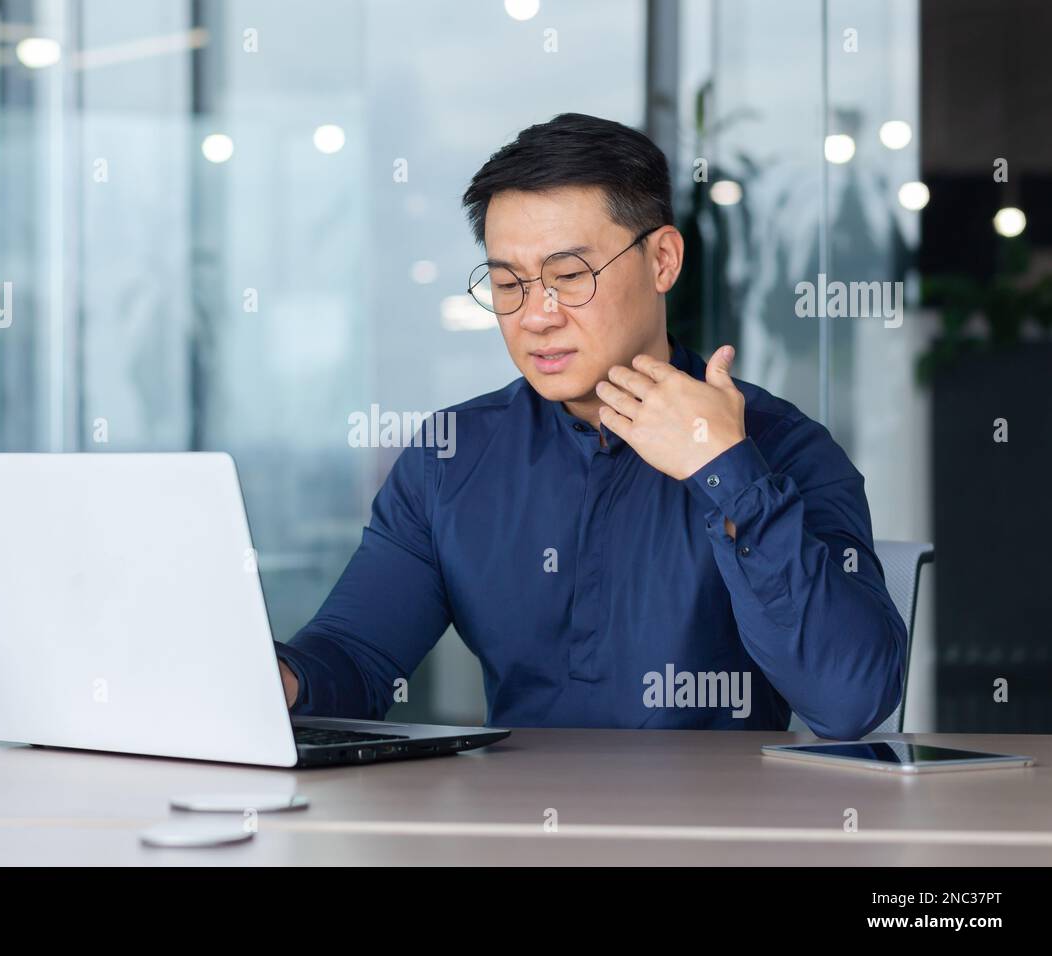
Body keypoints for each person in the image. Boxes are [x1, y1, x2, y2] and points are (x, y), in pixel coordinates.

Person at [274, 112, 906, 740]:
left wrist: (726, 472)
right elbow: (355, 658)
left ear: (662, 260)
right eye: (506, 283)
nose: (536, 316)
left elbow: (849, 700)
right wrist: (278, 679)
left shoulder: (781, 448)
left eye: (569, 277)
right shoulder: (453, 458)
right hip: (514, 830)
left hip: (718, 832)